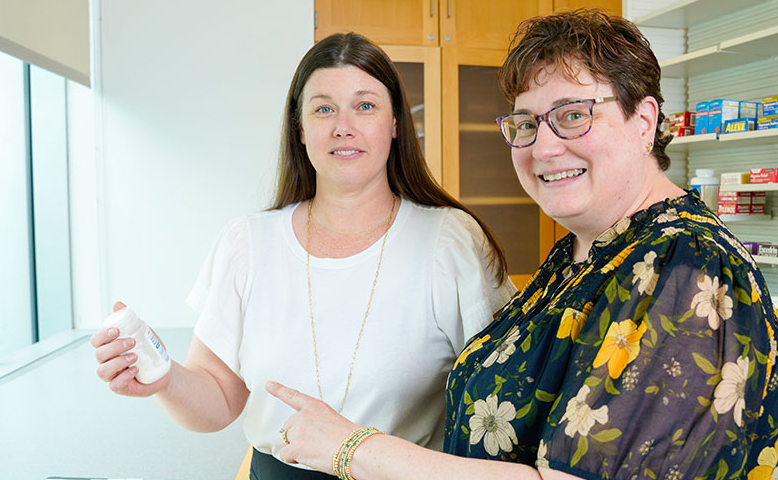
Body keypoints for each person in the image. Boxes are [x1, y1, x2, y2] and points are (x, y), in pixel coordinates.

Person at [266, 9, 778, 480]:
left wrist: (355, 448)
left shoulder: (689, 268)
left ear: (644, 121)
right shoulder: (582, 253)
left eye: (573, 115)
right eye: (526, 124)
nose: (543, 147)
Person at [90, 32, 517, 479]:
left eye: (365, 106)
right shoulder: (247, 243)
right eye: (324, 109)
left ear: (395, 123)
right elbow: (218, 399)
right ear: (300, 128)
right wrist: (163, 378)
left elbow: (500, 398)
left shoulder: (450, 241)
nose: (343, 126)